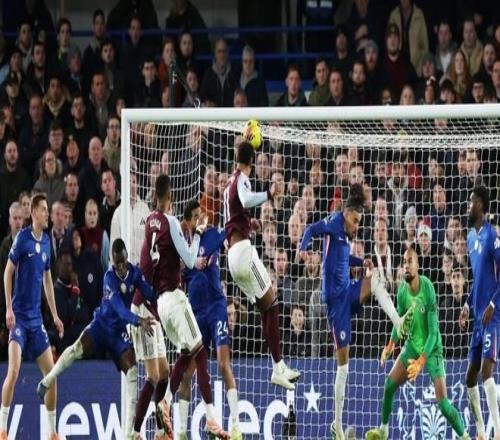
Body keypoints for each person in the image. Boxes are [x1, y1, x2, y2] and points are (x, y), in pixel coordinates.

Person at [298, 183, 412, 439]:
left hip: (347, 291)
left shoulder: (345, 235)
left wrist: (362, 262)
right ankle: (337, 424)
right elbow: (311, 229)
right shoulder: (332, 223)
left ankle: (397, 321)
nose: (357, 226)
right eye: (356, 221)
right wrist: (303, 248)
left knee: (374, 279)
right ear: (346, 214)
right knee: (344, 366)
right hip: (335, 304)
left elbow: (343, 259)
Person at [37, 238, 156, 439]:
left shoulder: (135, 273)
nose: (121, 267)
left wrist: (163, 295)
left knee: (133, 371)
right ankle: (48, 379)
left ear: (127, 257)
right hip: (101, 326)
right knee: (76, 350)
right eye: (117, 264)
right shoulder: (109, 278)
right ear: (112, 262)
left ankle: (128, 433)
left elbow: (150, 293)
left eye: (123, 262)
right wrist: (139, 321)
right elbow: (119, 309)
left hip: (118, 333)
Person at [143, 175, 228, 439]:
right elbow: (191, 260)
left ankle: (165, 402)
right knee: (200, 353)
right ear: (170, 195)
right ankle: (211, 419)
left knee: (186, 354)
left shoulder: (149, 221)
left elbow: (151, 261)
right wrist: (199, 233)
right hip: (176, 298)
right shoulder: (170, 222)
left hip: (161, 303)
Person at [365, 247, 470, 440]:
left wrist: (421, 361)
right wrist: (390, 346)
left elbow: (433, 333)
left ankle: (465, 436)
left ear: (418, 265)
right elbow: (399, 323)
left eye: (410, 261)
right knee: (389, 385)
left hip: (432, 349)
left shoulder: (428, 288)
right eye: (404, 261)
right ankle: (383, 430)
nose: (406, 265)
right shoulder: (402, 292)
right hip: (412, 346)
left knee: (443, 404)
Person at [224, 141, 300, 390]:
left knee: (265, 308)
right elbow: (246, 200)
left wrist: (249, 224)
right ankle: (278, 367)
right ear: (252, 162)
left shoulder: (229, 182)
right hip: (244, 254)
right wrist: (268, 194)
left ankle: (278, 366)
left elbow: (233, 215)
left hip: (233, 256)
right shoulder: (242, 179)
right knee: (273, 303)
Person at [0, 193, 64, 440]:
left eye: (48, 210)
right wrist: (8, 309)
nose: (48, 214)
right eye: (44, 210)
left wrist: (55, 315)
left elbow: (47, 279)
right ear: (35, 213)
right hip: (19, 319)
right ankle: (3, 430)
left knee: (51, 376)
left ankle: (52, 432)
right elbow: (7, 273)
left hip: (37, 322)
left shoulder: (46, 242)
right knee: (14, 371)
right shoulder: (22, 239)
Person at [178, 199, 241, 440]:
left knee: (223, 364)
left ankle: (236, 426)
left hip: (216, 308)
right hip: (195, 314)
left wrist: (248, 228)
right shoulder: (182, 249)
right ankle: (181, 432)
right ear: (187, 221)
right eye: (195, 216)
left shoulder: (212, 235)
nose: (199, 220)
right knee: (187, 372)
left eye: (201, 215)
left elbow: (230, 230)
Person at [458, 186, 500, 439]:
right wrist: (466, 305)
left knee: (486, 371)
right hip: (476, 318)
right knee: (470, 378)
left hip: (493, 317)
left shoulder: (492, 236)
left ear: (481, 205)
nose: (468, 205)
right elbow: (478, 279)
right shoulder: (471, 237)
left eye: (472, 201)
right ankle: (481, 432)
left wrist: (493, 304)